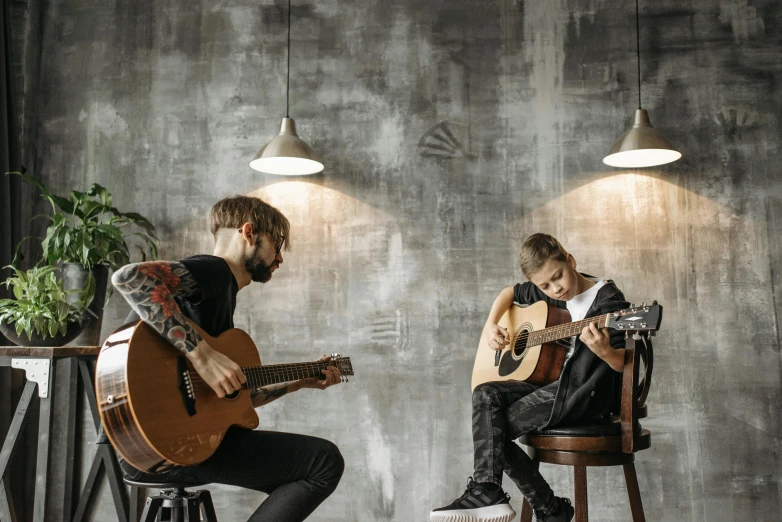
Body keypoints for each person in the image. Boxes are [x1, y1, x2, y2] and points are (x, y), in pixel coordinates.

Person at [104, 195, 345, 522]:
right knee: (324, 463)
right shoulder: (215, 272)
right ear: (249, 233)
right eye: (277, 243)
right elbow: (131, 279)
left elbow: (223, 403)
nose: (280, 258)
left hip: (156, 449)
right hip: (168, 446)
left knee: (299, 470)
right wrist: (202, 356)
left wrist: (298, 382)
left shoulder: (220, 297)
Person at [430, 233, 630, 522]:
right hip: (554, 387)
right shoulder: (551, 293)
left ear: (570, 261)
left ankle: (520, 501)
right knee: (486, 394)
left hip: (584, 395)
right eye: (544, 285)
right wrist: (490, 326)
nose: (555, 289)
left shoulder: (608, 302)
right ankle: (533, 505)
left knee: (491, 429)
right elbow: (509, 293)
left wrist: (605, 351)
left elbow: (624, 364)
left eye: (558, 277)